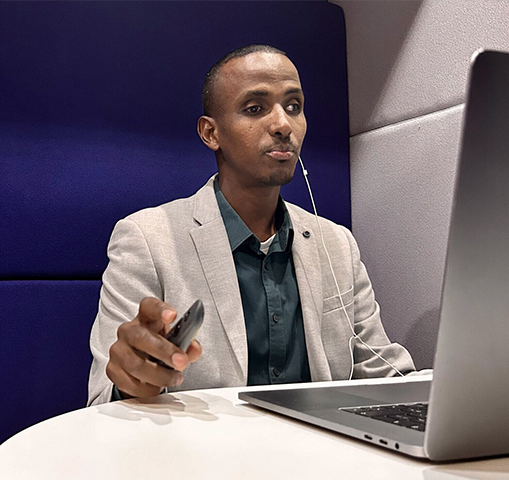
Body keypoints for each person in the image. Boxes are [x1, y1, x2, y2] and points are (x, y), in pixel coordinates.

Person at [88, 44, 415, 405]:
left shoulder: (336, 243)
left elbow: (384, 371)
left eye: (294, 107)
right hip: (205, 454)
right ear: (211, 133)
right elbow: (103, 401)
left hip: (321, 454)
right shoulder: (147, 239)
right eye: (255, 108)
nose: (282, 124)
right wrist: (132, 380)